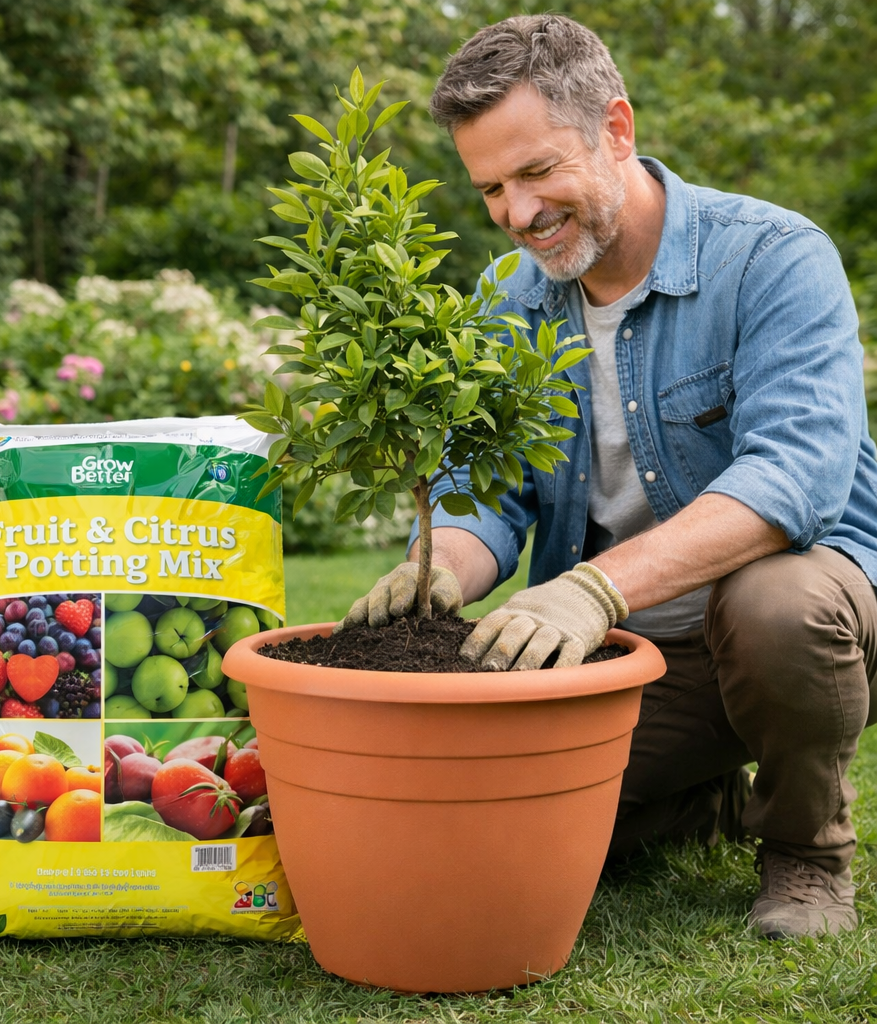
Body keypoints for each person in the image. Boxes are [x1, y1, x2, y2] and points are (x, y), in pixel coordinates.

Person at [341, 13, 877, 940]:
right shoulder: (508, 302)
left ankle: (807, 854)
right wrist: (443, 569)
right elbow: (487, 490)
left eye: (538, 171)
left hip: (803, 621)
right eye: (492, 190)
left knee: (773, 604)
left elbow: (794, 480)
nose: (517, 214)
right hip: (628, 660)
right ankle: (696, 794)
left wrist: (592, 590)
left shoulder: (773, 258)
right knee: (489, 816)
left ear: (616, 129)